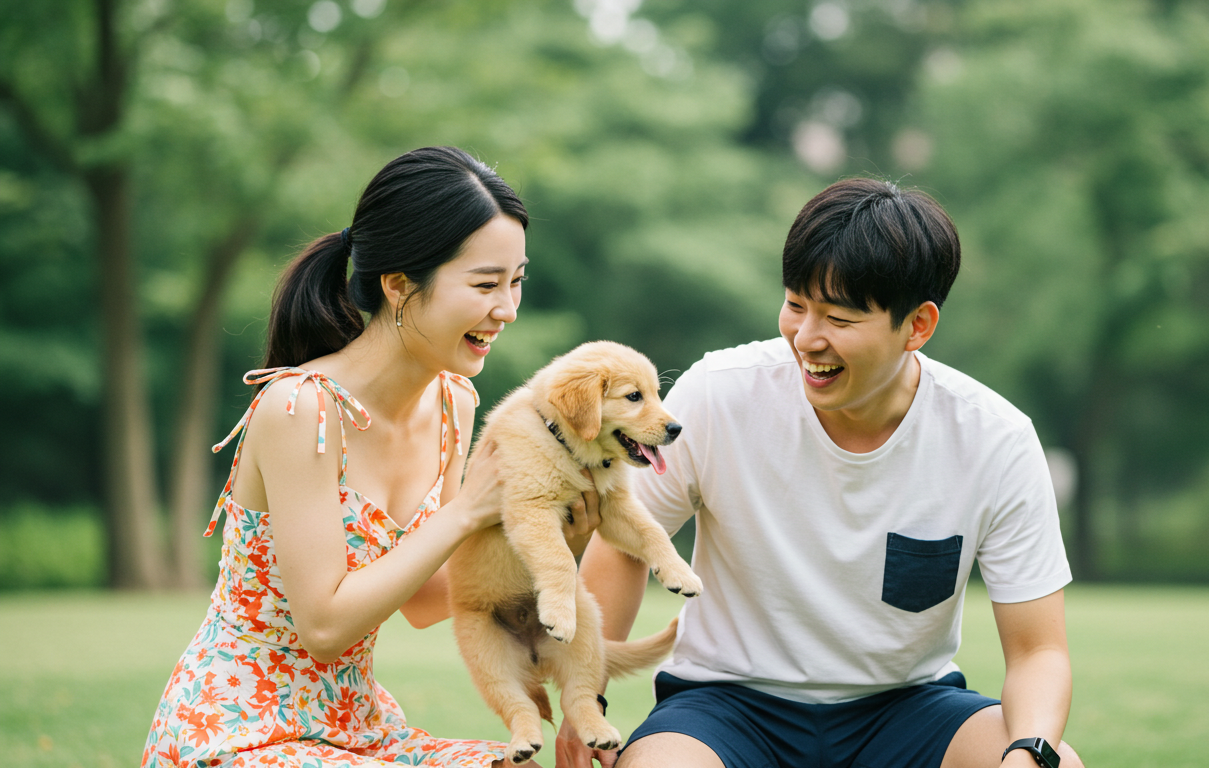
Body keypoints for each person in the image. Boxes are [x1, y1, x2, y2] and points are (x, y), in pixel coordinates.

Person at [556, 178, 1084, 768]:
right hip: (726, 707)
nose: (806, 339)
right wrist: (586, 698)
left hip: (907, 709)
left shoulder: (995, 438)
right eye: (795, 305)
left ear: (918, 326)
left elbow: (1039, 652)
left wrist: (1030, 751)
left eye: (838, 317)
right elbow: (626, 543)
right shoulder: (719, 393)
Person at [142, 146, 598, 768]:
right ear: (399, 285)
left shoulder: (453, 402)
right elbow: (325, 629)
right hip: (241, 729)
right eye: (486, 284)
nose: (507, 310)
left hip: (357, 727)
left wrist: (553, 538)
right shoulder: (300, 408)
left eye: (516, 282)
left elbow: (429, 600)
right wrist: (467, 512)